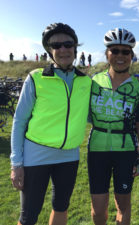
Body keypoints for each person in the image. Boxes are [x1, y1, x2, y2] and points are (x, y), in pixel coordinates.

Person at [10, 22, 91, 225]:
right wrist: (16, 163)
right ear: (49, 51)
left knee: (61, 207)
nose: (63, 49)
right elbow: (19, 122)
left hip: (69, 155)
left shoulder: (86, 81)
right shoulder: (36, 78)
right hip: (36, 154)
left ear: (75, 47)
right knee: (29, 215)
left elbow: (91, 115)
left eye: (68, 44)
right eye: (56, 45)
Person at [88, 28, 139, 225]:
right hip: (97, 149)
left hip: (126, 150)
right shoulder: (94, 82)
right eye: (115, 51)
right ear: (107, 54)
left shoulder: (138, 87)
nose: (120, 56)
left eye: (125, 51)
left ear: (132, 55)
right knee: (97, 209)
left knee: (123, 205)